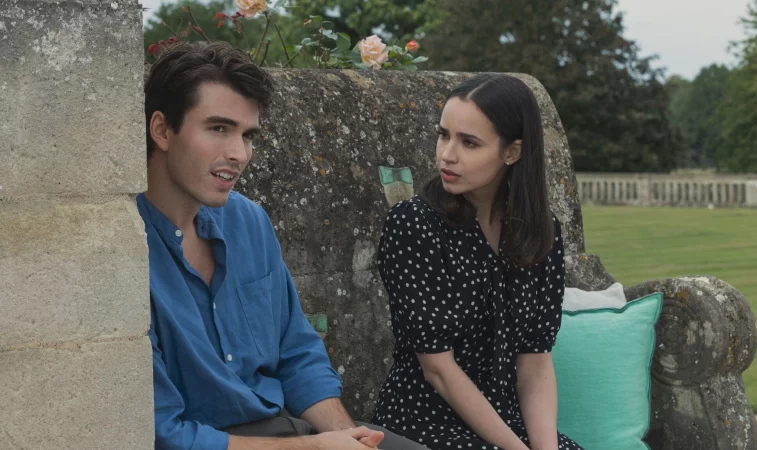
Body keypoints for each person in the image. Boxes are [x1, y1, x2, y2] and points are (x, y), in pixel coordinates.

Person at [139, 41, 429, 450]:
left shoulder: (248, 222)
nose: (239, 154)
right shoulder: (123, 252)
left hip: (287, 432)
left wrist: (345, 438)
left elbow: (298, 356)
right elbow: (163, 433)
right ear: (162, 130)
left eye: (247, 134)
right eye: (218, 128)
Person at [371, 74, 584, 450]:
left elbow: (534, 363)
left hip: (505, 421)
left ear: (512, 152)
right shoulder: (414, 224)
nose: (447, 154)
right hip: (423, 423)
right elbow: (438, 369)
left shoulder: (540, 232)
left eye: (469, 142)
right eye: (443, 134)